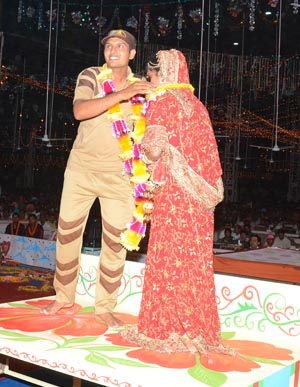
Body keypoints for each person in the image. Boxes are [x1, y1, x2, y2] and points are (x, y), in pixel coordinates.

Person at [41, 29, 155, 327]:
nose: (113, 50)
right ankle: (63, 297)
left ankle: (104, 307)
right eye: (108, 46)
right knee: (66, 234)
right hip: (81, 170)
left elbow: (150, 133)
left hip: (120, 176)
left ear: (132, 54)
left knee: (116, 242)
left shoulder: (141, 88)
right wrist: (121, 95)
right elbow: (80, 111)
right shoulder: (91, 75)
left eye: (121, 46)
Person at [121, 49, 231, 355]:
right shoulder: (199, 107)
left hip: (174, 197)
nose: (148, 81)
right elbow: (211, 160)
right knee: (194, 262)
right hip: (200, 201)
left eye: (150, 75)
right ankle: (196, 327)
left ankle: (167, 326)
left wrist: (138, 147)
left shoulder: (163, 102)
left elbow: (154, 150)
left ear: (164, 74)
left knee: (169, 258)